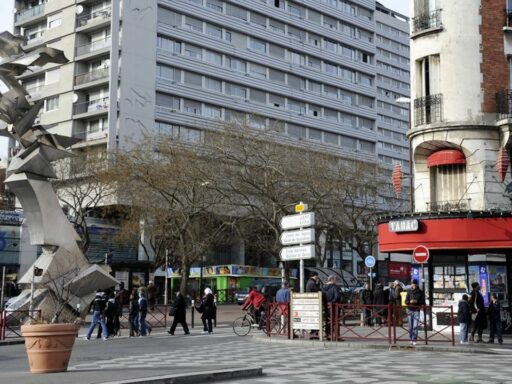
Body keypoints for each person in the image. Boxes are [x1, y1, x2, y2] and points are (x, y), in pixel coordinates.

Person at [405, 279, 424, 345]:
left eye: (414, 283)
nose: (412, 285)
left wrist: (417, 302)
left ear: (416, 284)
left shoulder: (420, 292)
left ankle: (414, 339)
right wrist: (409, 302)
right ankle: (411, 338)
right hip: (409, 309)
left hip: (416, 310)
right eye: (412, 284)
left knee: (415, 326)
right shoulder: (409, 291)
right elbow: (406, 301)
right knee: (410, 326)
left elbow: (422, 302)